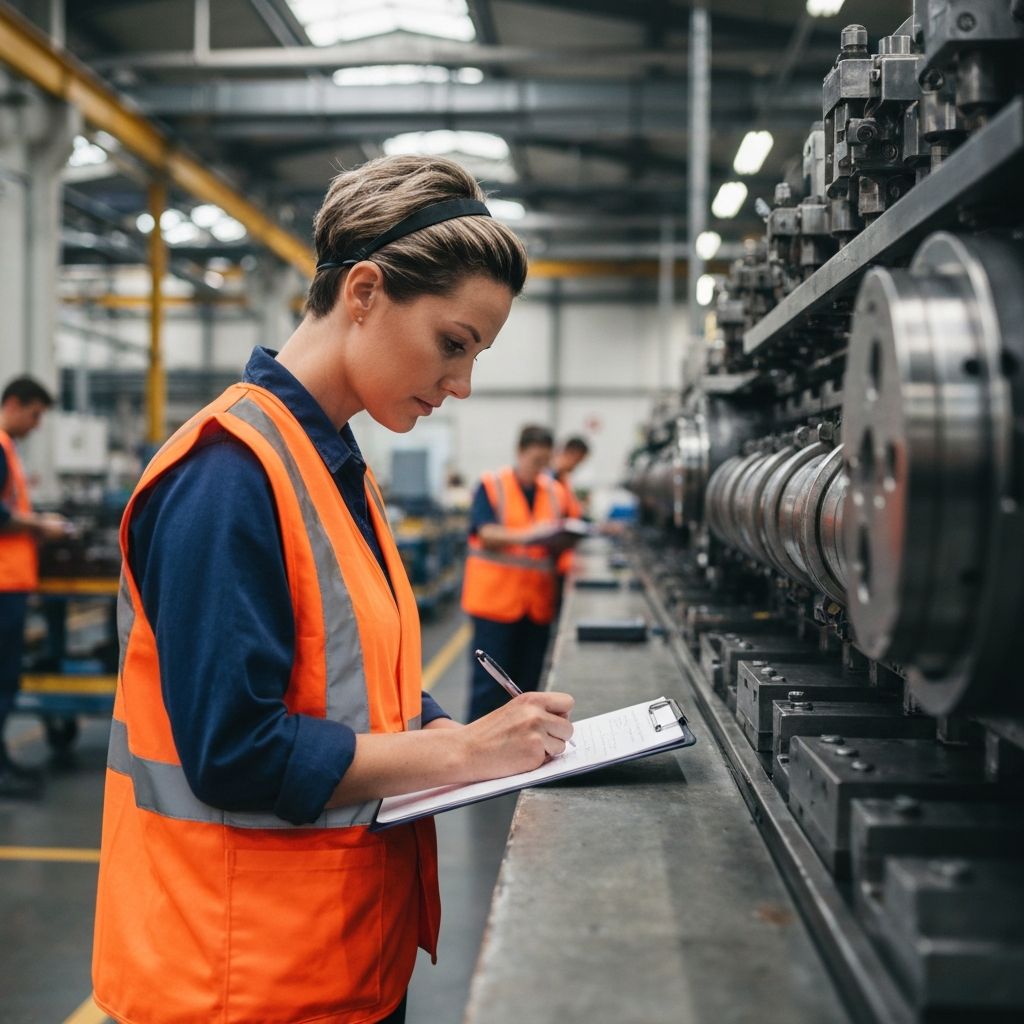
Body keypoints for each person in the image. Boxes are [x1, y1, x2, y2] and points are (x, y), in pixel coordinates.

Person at [91, 156, 575, 1024]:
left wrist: (442, 725)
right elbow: (234, 751)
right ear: (364, 292)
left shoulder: (335, 468)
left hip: (334, 957)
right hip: (237, 979)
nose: (461, 384)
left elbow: (356, 677)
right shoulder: (227, 476)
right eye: (453, 343)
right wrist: (464, 754)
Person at [462, 424, 574, 721]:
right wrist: (530, 535)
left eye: (545, 461)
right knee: (489, 690)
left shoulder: (555, 491)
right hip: (495, 605)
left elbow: (566, 528)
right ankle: (478, 747)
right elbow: (485, 533)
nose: (540, 468)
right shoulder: (491, 485)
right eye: (536, 460)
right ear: (520, 452)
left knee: (528, 689)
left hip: (537, 606)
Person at [0, 376, 66, 798]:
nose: (36, 424)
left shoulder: (8, 449)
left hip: (11, 584)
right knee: (2, 681)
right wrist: (40, 525)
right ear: (14, 404)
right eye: (35, 414)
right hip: (3, 585)